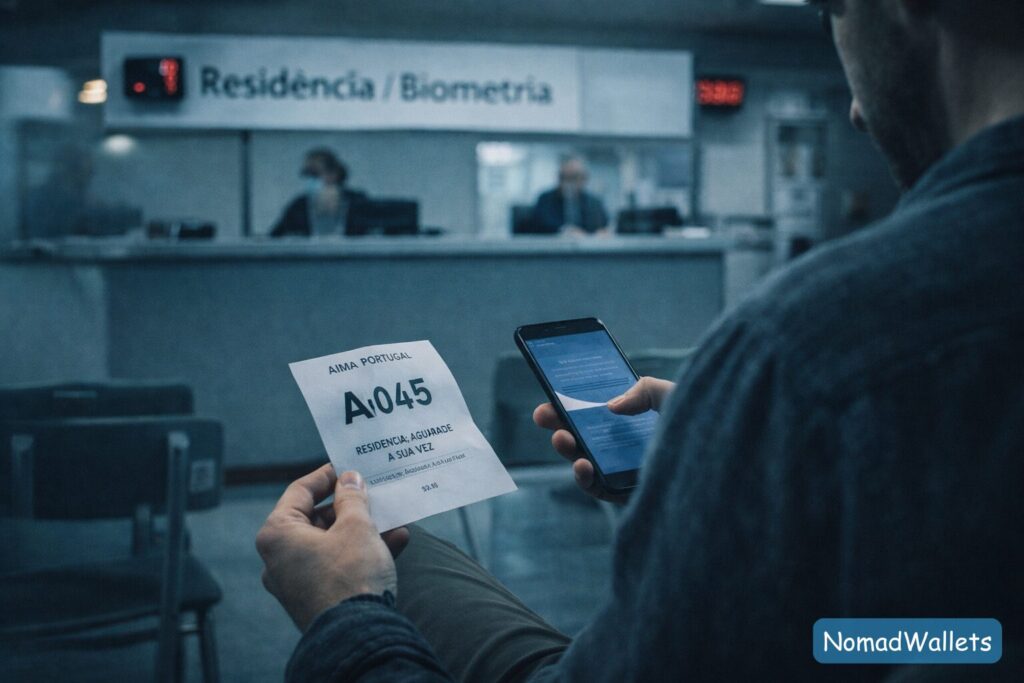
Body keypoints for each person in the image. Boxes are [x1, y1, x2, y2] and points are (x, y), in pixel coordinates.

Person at [257, 1, 1024, 680]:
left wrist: (345, 622)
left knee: (387, 555)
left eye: (831, 10)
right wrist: (731, 455)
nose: (854, 109)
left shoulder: (801, 353)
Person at [270, 148, 367, 237]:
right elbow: (274, 238)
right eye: (306, 174)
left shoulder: (359, 203)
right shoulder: (298, 206)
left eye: (314, 174)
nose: (309, 179)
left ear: (333, 174)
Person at [528, 156, 609, 235]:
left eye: (574, 177)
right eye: (564, 177)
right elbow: (540, 225)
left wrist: (599, 233)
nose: (568, 182)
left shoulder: (594, 203)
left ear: (584, 178)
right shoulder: (545, 200)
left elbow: (602, 226)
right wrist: (564, 231)